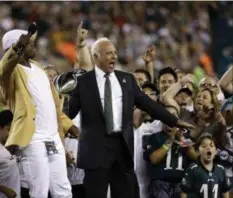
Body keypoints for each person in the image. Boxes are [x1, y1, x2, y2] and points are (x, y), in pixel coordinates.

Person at [68, 37, 194, 198]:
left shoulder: (126, 79)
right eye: (108, 53)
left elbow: (148, 104)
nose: (114, 56)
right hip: (95, 150)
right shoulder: (84, 81)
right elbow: (70, 112)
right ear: (96, 57)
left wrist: (174, 120)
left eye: (114, 53)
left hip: (122, 148)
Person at [0, 28, 79, 198]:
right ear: (18, 46)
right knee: (39, 190)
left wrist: (68, 125)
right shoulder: (7, 70)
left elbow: (51, 104)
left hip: (53, 137)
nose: (34, 46)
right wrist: (16, 48)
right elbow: (4, 71)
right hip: (33, 138)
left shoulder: (39, 68)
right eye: (29, 43)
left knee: (63, 189)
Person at [143, 105, 197, 198]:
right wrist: (170, 142)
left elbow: (195, 157)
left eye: (173, 115)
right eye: (167, 115)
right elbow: (154, 159)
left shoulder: (185, 138)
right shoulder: (153, 137)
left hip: (181, 184)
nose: (170, 118)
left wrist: (182, 139)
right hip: (160, 184)